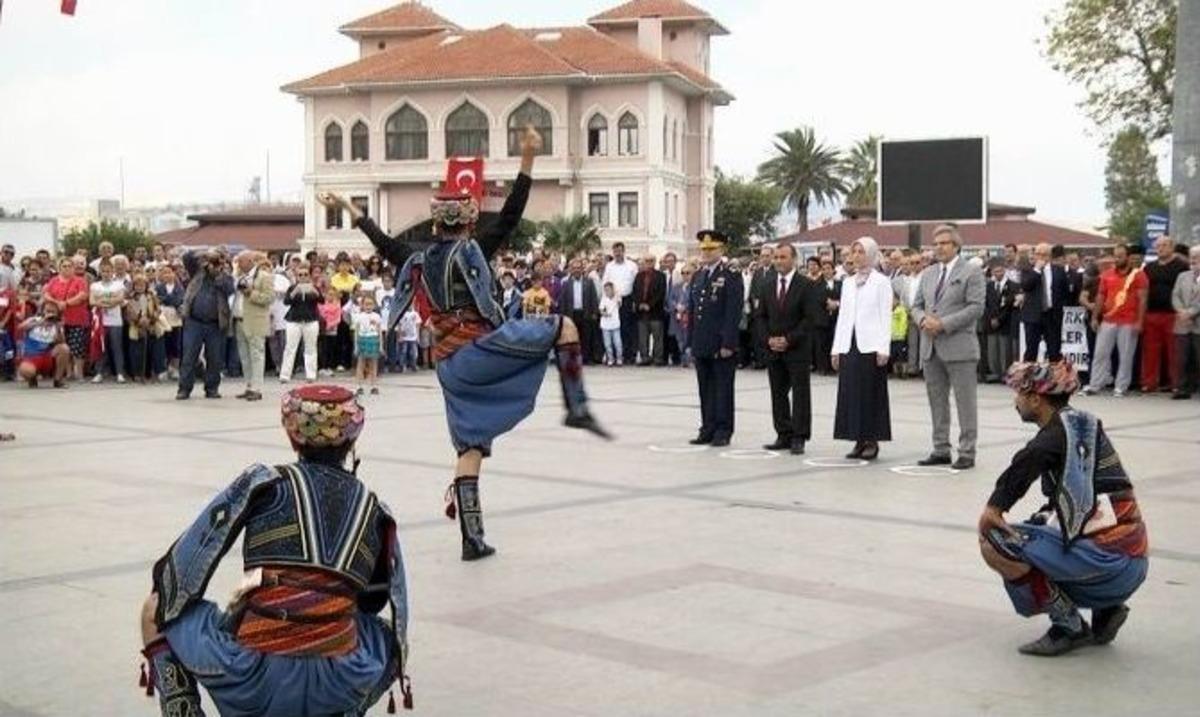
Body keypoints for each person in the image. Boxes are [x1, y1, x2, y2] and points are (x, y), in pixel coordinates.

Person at [323, 125, 609, 561]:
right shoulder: (473, 250)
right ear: (471, 221)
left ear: (436, 223)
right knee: (564, 327)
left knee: (470, 448)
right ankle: (577, 408)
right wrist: (528, 159)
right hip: (477, 351)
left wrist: (349, 208)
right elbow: (512, 213)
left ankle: (472, 540)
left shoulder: (415, 258)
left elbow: (382, 242)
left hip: (448, 367)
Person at [139, 384, 412, 715]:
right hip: (339, 678)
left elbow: (184, 569)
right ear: (352, 438)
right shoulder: (375, 510)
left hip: (253, 673)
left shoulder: (264, 483)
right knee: (385, 638)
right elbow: (376, 599)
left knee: (155, 610)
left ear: (293, 435)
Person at [978, 361, 1148, 656]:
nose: (1014, 401)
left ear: (1035, 399)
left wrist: (993, 509)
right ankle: (1107, 610)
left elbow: (1027, 462)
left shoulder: (1054, 436)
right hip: (1134, 561)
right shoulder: (1084, 423)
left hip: (1108, 564)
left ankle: (1068, 626)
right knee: (1041, 528)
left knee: (996, 541)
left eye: (1019, 393)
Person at [910, 224, 986, 470]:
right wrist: (922, 319)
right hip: (930, 347)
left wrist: (943, 324)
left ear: (956, 246)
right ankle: (940, 448)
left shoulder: (971, 272)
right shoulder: (929, 273)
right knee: (937, 401)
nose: (938, 247)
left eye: (944, 243)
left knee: (965, 402)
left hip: (959, 347)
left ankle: (967, 451)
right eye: (936, 244)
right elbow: (916, 305)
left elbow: (976, 308)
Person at [830, 237, 892, 460]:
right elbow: (843, 317)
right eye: (853, 251)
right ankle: (856, 438)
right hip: (849, 343)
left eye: (861, 252)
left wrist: (883, 347)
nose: (856, 256)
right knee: (851, 393)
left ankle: (871, 440)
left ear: (871, 254)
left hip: (871, 345)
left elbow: (886, 315)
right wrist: (836, 348)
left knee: (870, 393)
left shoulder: (881, 281)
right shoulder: (847, 282)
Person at [755, 243, 818, 455]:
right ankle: (783, 433)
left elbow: (809, 319)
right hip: (773, 348)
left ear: (794, 259)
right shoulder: (767, 284)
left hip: (796, 348)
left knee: (800, 394)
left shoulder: (805, 285)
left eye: (783, 257)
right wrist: (768, 339)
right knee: (778, 393)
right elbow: (761, 316)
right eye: (776, 257)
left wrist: (789, 339)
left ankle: (799, 435)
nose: (778, 261)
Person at [688, 230, 744, 447]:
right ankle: (707, 427)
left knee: (722, 388)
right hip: (702, 341)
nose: (706, 253)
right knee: (705, 388)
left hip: (721, 343)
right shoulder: (698, 274)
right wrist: (691, 341)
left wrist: (728, 342)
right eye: (703, 249)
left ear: (721, 250)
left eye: (711, 249)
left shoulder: (730, 274)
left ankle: (723, 430)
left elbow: (733, 311)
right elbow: (694, 311)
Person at [1083, 245, 1147, 397]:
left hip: (1128, 321)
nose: (1117, 259)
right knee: (1100, 353)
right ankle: (1095, 384)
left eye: (1120, 256)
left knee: (1126, 355)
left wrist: (1139, 321)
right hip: (1108, 319)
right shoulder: (1107, 275)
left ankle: (1121, 387)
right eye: (1116, 256)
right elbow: (1100, 297)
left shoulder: (1139, 276)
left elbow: (1143, 300)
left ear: (1128, 258)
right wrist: (1094, 317)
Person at [176, 249, 234, 400]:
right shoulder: (197, 271)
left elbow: (229, 289)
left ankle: (212, 388)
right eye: (213, 261)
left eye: (218, 261)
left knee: (215, 358)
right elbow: (186, 257)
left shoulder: (226, 277)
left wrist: (218, 273)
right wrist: (205, 254)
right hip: (194, 321)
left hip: (215, 324)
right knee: (189, 356)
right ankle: (184, 388)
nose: (214, 264)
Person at [1141, 236, 1188, 392]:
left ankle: (1176, 384)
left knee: (1174, 352)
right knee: (1150, 351)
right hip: (1151, 314)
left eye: (1164, 245)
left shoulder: (1182, 266)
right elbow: (1143, 292)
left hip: (1172, 314)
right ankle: (1149, 383)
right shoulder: (1149, 267)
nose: (1160, 248)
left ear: (1172, 247)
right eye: (1158, 246)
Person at [233, 251, 275, 401]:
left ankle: (257, 388)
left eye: (241, 262)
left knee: (256, 354)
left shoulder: (264, 276)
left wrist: (252, 293)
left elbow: (270, 298)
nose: (238, 265)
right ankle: (249, 385)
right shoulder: (239, 277)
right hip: (238, 320)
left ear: (250, 261)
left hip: (255, 321)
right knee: (244, 356)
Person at [42, 256, 90, 382]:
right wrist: (56, 302)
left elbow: (83, 295)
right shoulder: (54, 281)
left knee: (78, 346)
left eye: (70, 266)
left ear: (73, 268)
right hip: (59, 320)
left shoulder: (80, 280)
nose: (67, 268)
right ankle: (68, 373)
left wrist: (66, 303)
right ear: (59, 268)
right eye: (64, 266)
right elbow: (46, 294)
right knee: (64, 345)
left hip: (77, 319)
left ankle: (79, 373)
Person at [280, 263, 321, 384]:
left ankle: (311, 374)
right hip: (294, 321)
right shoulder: (292, 288)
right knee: (290, 347)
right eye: (300, 275)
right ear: (297, 276)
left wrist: (314, 290)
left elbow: (321, 300)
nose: (303, 277)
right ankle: (285, 375)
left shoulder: (314, 287)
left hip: (311, 320)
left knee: (310, 348)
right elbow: (286, 302)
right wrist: (295, 291)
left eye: (305, 274)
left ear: (309, 276)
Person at [16, 300, 71, 389]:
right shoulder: (34, 319)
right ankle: (32, 379)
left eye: (53, 312)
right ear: (43, 311)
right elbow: (20, 327)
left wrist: (58, 328)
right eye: (48, 311)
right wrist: (40, 323)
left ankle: (58, 380)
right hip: (32, 356)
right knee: (26, 371)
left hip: (48, 356)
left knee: (64, 348)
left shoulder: (57, 324)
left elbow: (62, 342)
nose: (50, 314)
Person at [90, 259, 129, 384]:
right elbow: (92, 301)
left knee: (116, 347)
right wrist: (110, 300)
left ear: (112, 271)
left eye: (108, 271)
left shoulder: (118, 284)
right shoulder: (95, 285)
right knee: (101, 347)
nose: (106, 273)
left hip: (115, 321)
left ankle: (120, 373)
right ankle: (99, 372)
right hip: (100, 322)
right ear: (100, 272)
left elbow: (120, 299)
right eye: (103, 271)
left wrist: (103, 301)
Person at [557, 258, 600, 364]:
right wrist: (563, 316)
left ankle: (586, 358)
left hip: (585, 313)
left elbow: (593, 298)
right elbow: (563, 301)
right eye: (574, 268)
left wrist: (594, 312)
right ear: (571, 269)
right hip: (571, 314)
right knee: (572, 338)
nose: (576, 270)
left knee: (586, 337)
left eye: (579, 268)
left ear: (582, 269)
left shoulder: (589, 282)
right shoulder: (566, 283)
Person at [602, 241, 639, 364]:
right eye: (615, 251)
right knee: (613, 328)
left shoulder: (632, 266)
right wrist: (605, 302)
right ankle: (613, 356)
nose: (617, 253)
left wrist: (635, 301)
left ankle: (629, 355)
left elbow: (636, 284)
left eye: (619, 251)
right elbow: (605, 283)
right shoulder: (609, 266)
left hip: (627, 299)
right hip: (612, 301)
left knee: (627, 328)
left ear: (624, 251)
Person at [1171, 245, 1200, 399]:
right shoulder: (1182, 276)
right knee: (1182, 358)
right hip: (1182, 324)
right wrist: (1181, 311)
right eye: (1192, 257)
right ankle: (1181, 389)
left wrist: (1191, 312)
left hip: (1197, 323)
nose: (1194, 260)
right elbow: (1175, 295)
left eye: (1197, 257)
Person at [983, 259, 1019, 382]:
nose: (998, 274)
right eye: (995, 271)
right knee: (993, 349)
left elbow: (1009, 306)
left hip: (1005, 322)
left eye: (1000, 271)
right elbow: (986, 305)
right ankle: (995, 373)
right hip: (991, 323)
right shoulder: (989, 286)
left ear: (1004, 271)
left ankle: (1005, 373)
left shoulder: (1013, 286)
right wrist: (991, 318)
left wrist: (999, 319)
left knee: (1005, 350)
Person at [632, 254, 667, 365]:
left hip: (656, 311)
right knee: (643, 336)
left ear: (655, 262)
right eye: (647, 261)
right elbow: (635, 291)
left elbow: (661, 293)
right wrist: (639, 304)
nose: (649, 263)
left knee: (657, 337)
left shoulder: (661, 276)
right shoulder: (639, 276)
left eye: (651, 260)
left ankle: (657, 358)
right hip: (641, 312)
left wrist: (650, 305)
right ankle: (644, 357)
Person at [354, 294, 383, 396]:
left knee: (373, 364)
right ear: (362, 305)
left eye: (370, 304)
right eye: (366, 304)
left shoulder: (377, 316)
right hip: (363, 339)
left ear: (374, 305)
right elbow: (356, 331)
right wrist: (356, 345)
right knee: (361, 364)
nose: (368, 306)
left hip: (373, 339)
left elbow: (379, 332)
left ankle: (374, 386)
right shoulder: (359, 316)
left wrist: (381, 345)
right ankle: (359, 386)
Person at [599, 282, 623, 366]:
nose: (607, 292)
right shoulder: (603, 299)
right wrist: (604, 313)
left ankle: (619, 358)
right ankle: (610, 358)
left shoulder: (617, 298)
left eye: (609, 289)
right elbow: (601, 310)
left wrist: (616, 296)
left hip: (615, 324)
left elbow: (620, 304)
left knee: (617, 342)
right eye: (606, 290)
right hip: (605, 325)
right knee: (607, 344)